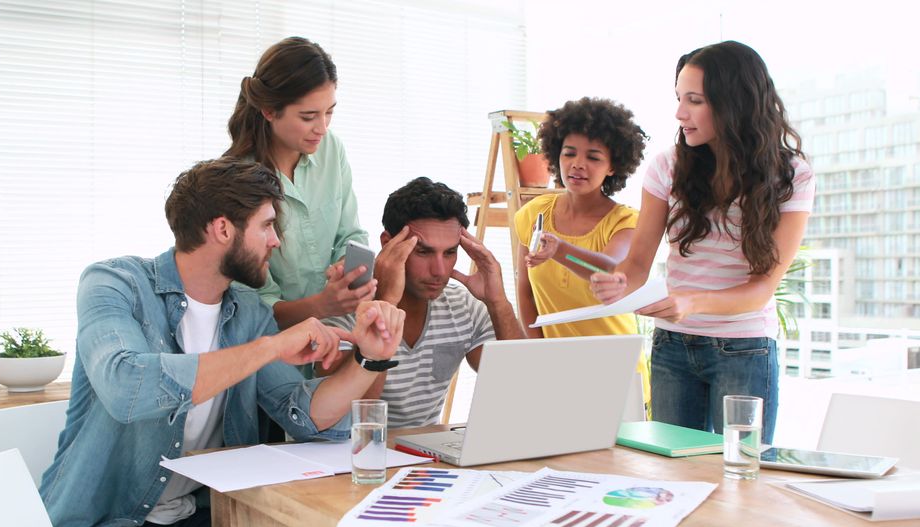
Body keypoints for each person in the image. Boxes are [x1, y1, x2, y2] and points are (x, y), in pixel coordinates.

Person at [39, 157, 404, 527]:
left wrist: (368, 358)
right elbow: (128, 388)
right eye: (267, 225)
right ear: (223, 228)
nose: (276, 241)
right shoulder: (115, 283)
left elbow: (302, 416)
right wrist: (270, 347)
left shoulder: (248, 312)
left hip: (201, 515)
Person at [589, 41, 816, 443]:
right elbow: (637, 263)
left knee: (739, 479)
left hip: (744, 349)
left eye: (694, 100)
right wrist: (619, 282)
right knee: (675, 479)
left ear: (734, 103)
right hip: (672, 347)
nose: (679, 113)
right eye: (679, 98)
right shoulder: (667, 167)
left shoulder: (791, 176)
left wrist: (692, 301)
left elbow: (762, 288)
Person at [323, 177, 525, 428]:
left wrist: (498, 302)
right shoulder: (346, 308)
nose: (439, 270)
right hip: (356, 456)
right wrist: (387, 301)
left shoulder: (463, 306)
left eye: (450, 252)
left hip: (423, 455)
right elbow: (346, 422)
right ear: (388, 244)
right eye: (423, 251)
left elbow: (521, 388)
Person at [225, 36, 375, 331]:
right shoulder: (237, 182)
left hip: (338, 335)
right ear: (269, 111)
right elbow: (254, 306)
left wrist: (346, 266)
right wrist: (321, 305)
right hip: (277, 349)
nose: (322, 128)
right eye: (308, 117)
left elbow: (350, 233)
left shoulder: (332, 149)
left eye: (329, 112)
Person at [513, 97, 650, 409]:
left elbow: (613, 270)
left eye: (594, 157)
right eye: (569, 153)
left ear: (613, 165)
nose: (577, 164)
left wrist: (560, 250)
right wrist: (537, 355)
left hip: (618, 373)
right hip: (558, 373)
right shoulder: (534, 214)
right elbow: (525, 292)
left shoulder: (626, 221)